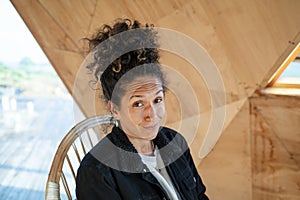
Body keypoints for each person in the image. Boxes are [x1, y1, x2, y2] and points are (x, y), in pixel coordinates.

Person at [76, 18, 209, 200]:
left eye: (157, 99)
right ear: (114, 109)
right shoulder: (97, 172)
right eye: (138, 103)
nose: (152, 115)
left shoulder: (176, 143)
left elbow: (200, 195)